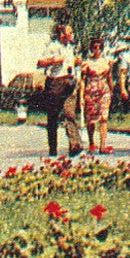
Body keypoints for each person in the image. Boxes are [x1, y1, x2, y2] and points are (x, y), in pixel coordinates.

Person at [37, 23, 82, 158]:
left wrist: (76, 62)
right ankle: (53, 148)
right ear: (62, 34)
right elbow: (40, 63)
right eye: (70, 32)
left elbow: (71, 63)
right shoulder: (52, 47)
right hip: (55, 83)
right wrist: (53, 60)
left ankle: (75, 145)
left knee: (70, 113)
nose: (72, 34)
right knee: (53, 117)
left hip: (69, 81)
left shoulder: (70, 47)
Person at [79, 36, 114, 154]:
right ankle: (91, 142)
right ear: (91, 49)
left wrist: (112, 91)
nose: (97, 49)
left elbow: (110, 78)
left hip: (104, 91)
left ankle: (102, 145)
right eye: (95, 47)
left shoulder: (106, 62)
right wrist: (81, 97)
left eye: (100, 47)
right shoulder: (87, 62)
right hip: (91, 91)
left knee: (104, 118)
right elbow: (82, 80)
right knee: (91, 119)